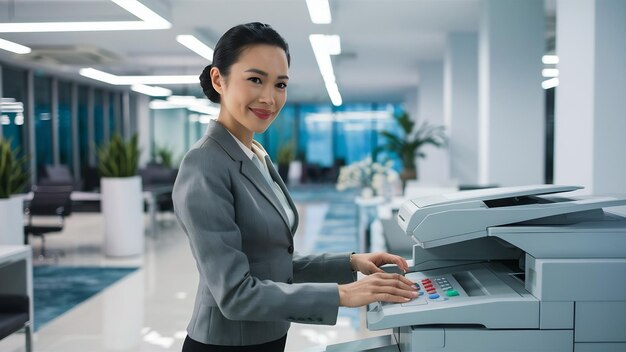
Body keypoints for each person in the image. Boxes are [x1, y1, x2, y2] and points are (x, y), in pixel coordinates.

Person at [172, 22, 418, 352]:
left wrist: (350, 262)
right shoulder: (205, 163)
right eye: (255, 79)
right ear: (219, 79)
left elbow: (273, 260)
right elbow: (234, 294)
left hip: (268, 336)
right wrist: (342, 294)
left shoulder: (255, 154)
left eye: (281, 84)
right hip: (227, 345)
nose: (269, 98)